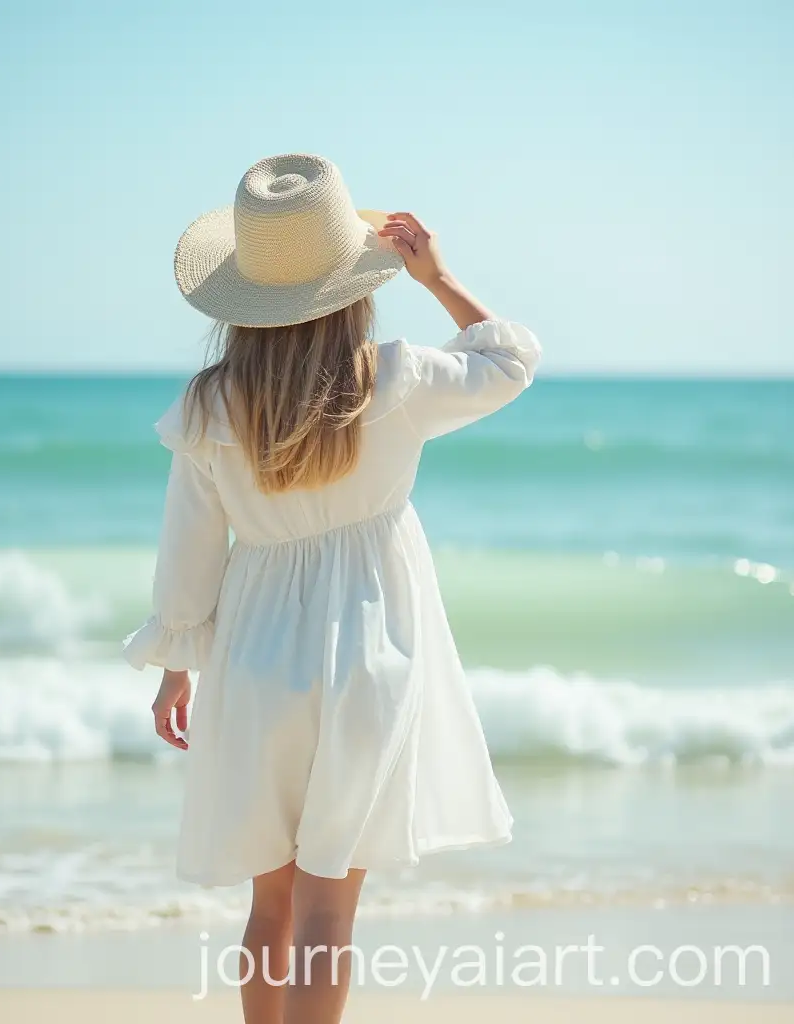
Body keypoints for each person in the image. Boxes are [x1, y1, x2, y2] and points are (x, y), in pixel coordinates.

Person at [124, 153, 541, 1024]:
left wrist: (175, 667)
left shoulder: (211, 404)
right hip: (367, 658)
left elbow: (189, 553)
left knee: (268, 908)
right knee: (326, 914)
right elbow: (509, 359)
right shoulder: (395, 376)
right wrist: (440, 278)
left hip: (254, 657)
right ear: (354, 284)